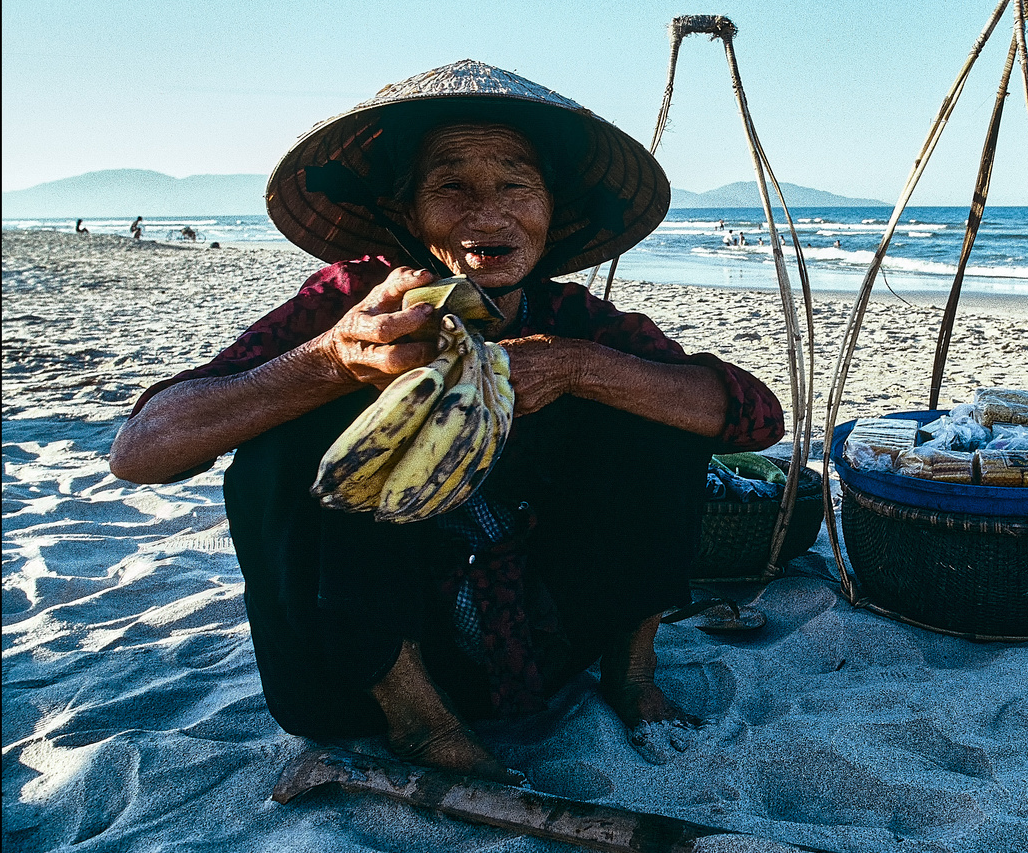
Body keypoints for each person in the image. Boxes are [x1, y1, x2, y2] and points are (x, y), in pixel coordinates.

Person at [109, 60, 784, 781]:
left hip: (544, 641)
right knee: (287, 430)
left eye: (515, 184)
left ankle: (632, 672)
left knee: (657, 405)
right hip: (357, 662)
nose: (486, 213)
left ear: (552, 208)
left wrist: (583, 367)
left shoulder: (572, 322)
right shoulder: (355, 302)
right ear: (407, 214)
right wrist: (331, 362)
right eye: (451, 186)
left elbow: (754, 419)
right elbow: (142, 451)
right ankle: (421, 724)